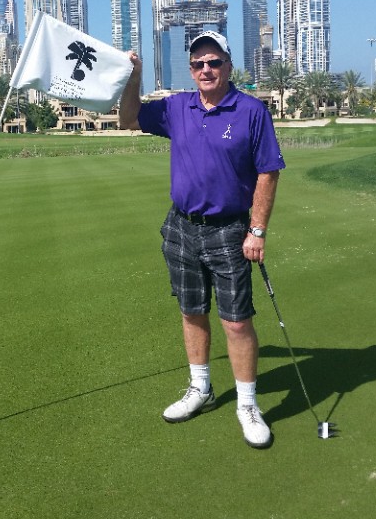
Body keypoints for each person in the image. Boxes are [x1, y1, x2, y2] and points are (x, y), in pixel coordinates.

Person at [119, 31, 285, 448]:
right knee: (192, 311)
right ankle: (201, 388)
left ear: (228, 65)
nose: (206, 70)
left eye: (213, 62)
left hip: (230, 230)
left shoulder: (250, 111)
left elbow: (268, 171)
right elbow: (128, 118)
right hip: (181, 226)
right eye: (198, 64)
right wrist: (133, 76)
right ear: (190, 70)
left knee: (236, 321)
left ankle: (247, 403)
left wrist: (257, 230)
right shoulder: (178, 106)